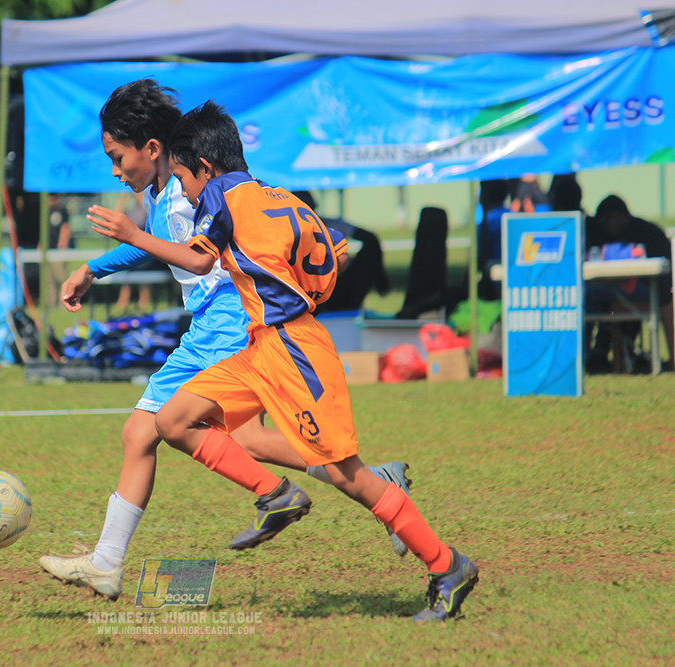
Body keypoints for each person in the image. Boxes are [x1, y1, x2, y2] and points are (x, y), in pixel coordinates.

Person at [93, 100, 478, 622]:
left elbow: (200, 258)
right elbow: (333, 253)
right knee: (172, 419)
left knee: (348, 476)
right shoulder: (276, 195)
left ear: (204, 168)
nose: (180, 191)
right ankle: (275, 494)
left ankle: (446, 563)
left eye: (182, 179)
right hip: (259, 346)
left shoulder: (220, 200)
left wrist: (135, 236)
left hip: (293, 350)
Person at [39, 80, 412, 601]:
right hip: (220, 324)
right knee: (238, 439)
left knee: (146, 432)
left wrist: (314, 246)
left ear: (152, 149)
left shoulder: (195, 185)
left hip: (228, 322)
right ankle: (377, 482)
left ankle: (115, 560)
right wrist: (94, 268)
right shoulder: (166, 191)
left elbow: (230, 223)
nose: (115, 170)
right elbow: (160, 245)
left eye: (118, 157)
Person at [584, 194, 674, 373]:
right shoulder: (602, 233)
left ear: (618, 217)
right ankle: (592, 356)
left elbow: (661, 284)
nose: (603, 227)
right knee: (592, 299)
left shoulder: (646, 234)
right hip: (622, 290)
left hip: (649, 291)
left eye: (605, 222)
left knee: (591, 298)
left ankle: (596, 356)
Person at [292, 191, 390, 313]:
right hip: (310, 288)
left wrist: (379, 275)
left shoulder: (329, 224)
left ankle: (353, 303)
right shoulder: (288, 231)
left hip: (339, 284)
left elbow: (370, 239)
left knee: (366, 254)